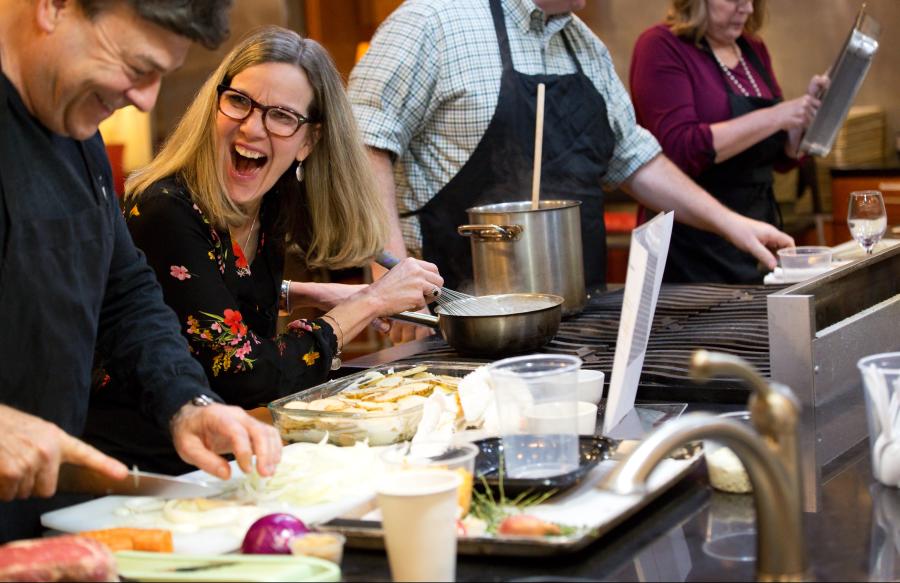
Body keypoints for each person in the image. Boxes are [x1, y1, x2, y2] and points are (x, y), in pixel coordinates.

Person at [83, 26, 444, 474]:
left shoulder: (269, 201)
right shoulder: (165, 209)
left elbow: (212, 293)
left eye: (282, 116)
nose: (253, 128)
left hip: (223, 455)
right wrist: (371, 302)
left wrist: (309, 293)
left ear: (308, 141)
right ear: (214, 104)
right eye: (240, 102)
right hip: (141, 468)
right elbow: (246, 373)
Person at [348, 0, 794, 342]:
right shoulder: (432, 21)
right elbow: (364, 143)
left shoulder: (583, 45)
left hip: (576, 319)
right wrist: (391, 273)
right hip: (455, 321)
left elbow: (635, 158)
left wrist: (733, 225)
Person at [0, 0, 282, 541]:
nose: (145, 98)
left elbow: (123, 292)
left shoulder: (73, 121)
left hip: (46, 522)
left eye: (161, 77)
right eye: (137, 67)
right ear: (53, 8)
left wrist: (185, 401)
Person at [630, 0, 828, 283]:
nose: (746, 9)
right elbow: (679, 150)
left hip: (757, 232)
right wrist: (777, 116)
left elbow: (779, 157)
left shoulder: (752, 49)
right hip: (690, 248)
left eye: (752, 0)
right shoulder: (660, 46)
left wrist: (803, 120)